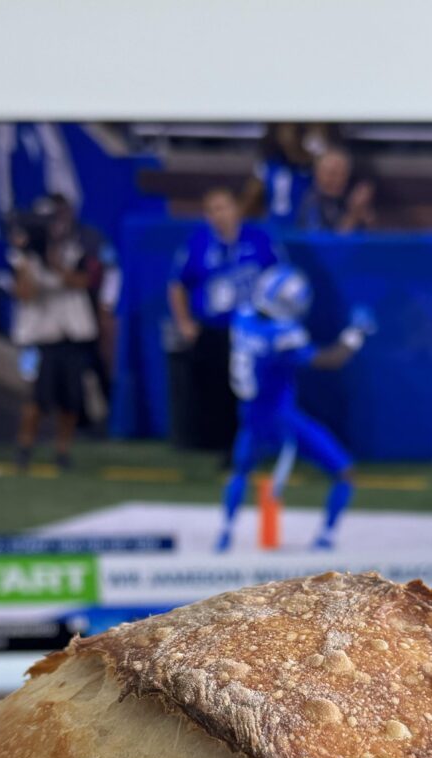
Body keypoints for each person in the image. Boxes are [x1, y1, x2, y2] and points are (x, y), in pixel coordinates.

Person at [216, 264, 374, 553]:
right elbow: (330, 361)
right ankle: (325, 539)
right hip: (281, 417)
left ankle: (224, 535)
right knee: (345, 472)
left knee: (240, 471)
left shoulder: (243, 318)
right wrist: (355, 336)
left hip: (251, 415)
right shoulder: (284, 333)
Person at [167, 187, 279, 458]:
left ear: (237, 208)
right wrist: (184, 322)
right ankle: (223, 447)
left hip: (250, 330)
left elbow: (278, 280)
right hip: (214, 330)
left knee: (251, 390)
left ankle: (257, 445)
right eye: (213, 209)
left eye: (224, 207)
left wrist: (272, 322)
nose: (220, 214)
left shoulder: (260, 240)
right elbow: (177, 284)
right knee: (217, 391)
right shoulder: (198, 244)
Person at [7, 196, 100, 470]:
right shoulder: (22, 257)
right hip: (38, 339)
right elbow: (26, 294)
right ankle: (24, 447)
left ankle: (62, 451)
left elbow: (85, 281)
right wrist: (28, 260)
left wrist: (56, 265)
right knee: (37, 397)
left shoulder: (74, 250)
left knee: (71, 398)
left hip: (71, 334)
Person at [242, 123, 313, 226]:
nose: (287, 137)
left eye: (291, 131)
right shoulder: (268, 165)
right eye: (283, 131)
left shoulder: (311, 166)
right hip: (274, 228)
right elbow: (250, 197)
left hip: (303, 229)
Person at [296, 148, 375, 234]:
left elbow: (373, 239)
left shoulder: (346, 199)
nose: (338, 180)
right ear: (317, 174)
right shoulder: (312, 202)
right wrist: (354, 214)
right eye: (332, 174)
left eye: (343, 174)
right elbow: (324, 244)